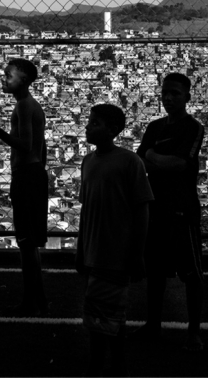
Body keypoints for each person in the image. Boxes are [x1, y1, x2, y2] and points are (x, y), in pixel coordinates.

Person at [76, 103, 154, 377]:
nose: (87, 126)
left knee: (112, 315)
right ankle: (100, 363)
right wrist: (80, 248)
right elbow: (86, 209)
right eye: (89, 122)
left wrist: (137, 253)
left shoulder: (130, 162)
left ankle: (115, 364)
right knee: (96, 313)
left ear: (114, 130)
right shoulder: (88, 162)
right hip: (94, 251)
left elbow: (142, 209)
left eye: (94, 123)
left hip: (117, 252)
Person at [133, 73, 206, 350]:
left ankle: (194, 331)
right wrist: (155, 160)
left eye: (175, 93)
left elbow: (179, 165)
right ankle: (153, 325)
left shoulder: (193, 127)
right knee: (155, 271)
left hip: (182, 208)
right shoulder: (154, 126)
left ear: (187, 96)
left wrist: (153, 157)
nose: (169, 98)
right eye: (165, 93)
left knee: (191, 273)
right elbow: (141, 162)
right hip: (157, 206)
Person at [0, 58, 48, 315]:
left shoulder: (24, 106)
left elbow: (27, 146)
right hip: (34, 174)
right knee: (29, 243)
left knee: (26, 244)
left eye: (9, 75)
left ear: (25, 80)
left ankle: (32, 302)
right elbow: (41, 150)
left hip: (27, 175)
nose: (4, 79)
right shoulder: (31, 106)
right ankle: (37, 300)